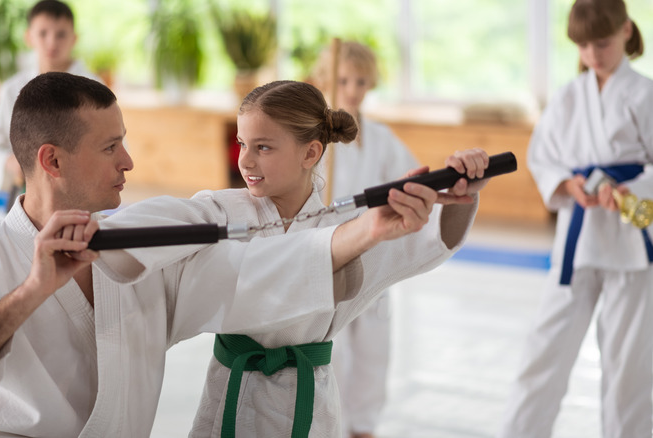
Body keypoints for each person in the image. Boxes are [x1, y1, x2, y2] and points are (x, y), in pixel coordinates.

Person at [0, 73, 463, 437]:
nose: (129, 163)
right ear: (52, 160)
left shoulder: (134, 258)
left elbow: (253, 276)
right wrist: (31, 292)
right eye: (111, 147)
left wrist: (366, 232)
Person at [94, 80, 487, 437]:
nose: (245, 161)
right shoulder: (221, 209)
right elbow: (166, 219)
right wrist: (96, 234)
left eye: (263, 147)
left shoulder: (349, 228)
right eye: (242, 143)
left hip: (308, 405)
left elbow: (424, 245)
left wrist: (465, 192)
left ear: (310, 152)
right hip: (231, 395)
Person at [498, 1, 653, 437]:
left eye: (601, 43)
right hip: (579, 241)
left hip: (632, 245)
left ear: (626, 31)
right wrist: (569, 185)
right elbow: (543, 158)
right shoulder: (569, 97)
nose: (592, 55)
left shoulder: (645, 94)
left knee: (630, 369)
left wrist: (632, 190)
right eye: (583, 46)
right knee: (543, 352)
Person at [311, 40, 419, 438]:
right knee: (331, 349)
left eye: (360, 81)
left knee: (374, 349)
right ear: (326, 80)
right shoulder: (315, 140)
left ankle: (364, 427)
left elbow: (410, 176)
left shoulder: (380, 138)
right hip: (329, 253)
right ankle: (329, 425)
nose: (353, 89)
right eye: (343, 80)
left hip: (373, 254)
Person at [0, 0, 100, 192]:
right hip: (27, 192)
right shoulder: (13, 89)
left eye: (61, 34)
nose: (52, 42)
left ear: (74, 38)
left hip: (79, 192)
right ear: (29, 37)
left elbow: (111, 145)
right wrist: (11, 163)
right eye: (43, 33)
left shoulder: (94, 90)